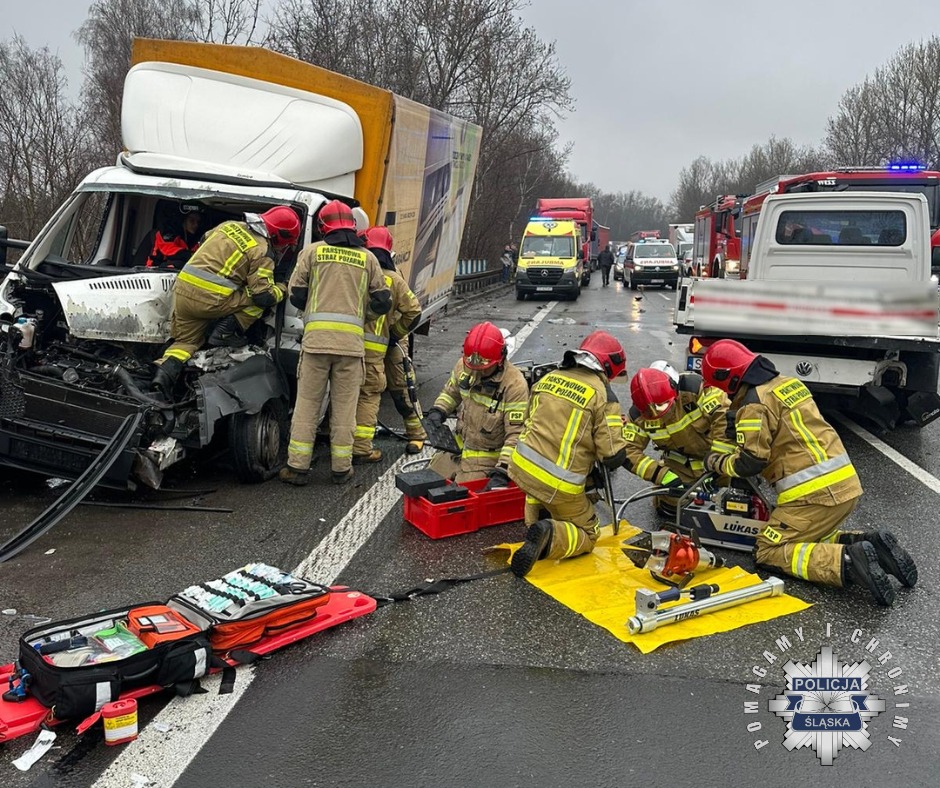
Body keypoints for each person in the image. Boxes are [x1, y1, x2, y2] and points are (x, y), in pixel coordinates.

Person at [701, 339, 918, 605]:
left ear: (728, 378)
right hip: (845, 485)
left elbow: (751, 462)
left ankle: (848, 562)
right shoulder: (787, 384)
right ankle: (871, 545)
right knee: (810, 536)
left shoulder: (753, 405)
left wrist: (716, 463)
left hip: (812, 496)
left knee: (768, 550)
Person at [279, 200, 391, 486]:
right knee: (345, 407)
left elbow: (297, 294)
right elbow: (382, 301)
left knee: (307, 405)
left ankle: (297, 467)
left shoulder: (312, 253)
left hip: (316, 344)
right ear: (353, 227)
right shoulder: (368, 259)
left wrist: (312, 313)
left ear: (322, 227)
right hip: (351, 348)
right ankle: (341, 468)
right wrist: (362, 316)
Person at [507, 331, 629, 577]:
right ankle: (549, 535)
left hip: (520, 467)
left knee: (538, 488)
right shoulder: (604, 396)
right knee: (588, 533)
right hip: (557, 483)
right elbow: (612, 455)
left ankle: (535, 523)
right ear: (607, 366)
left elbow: (533, 422)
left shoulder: (549, 378)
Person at [151, 206, 299, 399]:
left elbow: (204, 241)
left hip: (182, 292)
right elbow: (263, 296)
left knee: (187, 342)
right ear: (279, 237)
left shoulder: (229, 225)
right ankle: (226, 332)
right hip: (210, 300)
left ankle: (159, 378)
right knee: (256, 300)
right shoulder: (263, 251)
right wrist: (283, 288)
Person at [624, 363, 735, 517]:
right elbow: (628, 450)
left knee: (734, 501)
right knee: (672, 508)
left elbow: (725, 419)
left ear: (674, 390)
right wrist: (661, 475)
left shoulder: (697, 389)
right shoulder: (639, 415)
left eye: (662, 406)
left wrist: (717, 465)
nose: (657, 413)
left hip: (716, 459)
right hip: (681, 467)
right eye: (649, 411)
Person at [352, 226, 424, 463]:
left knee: (360, 393)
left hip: (364, 344)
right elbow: (413, 312)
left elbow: (412, 311)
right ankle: (415, 435)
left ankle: (414, 433)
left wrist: (394, 333)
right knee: (401, 389)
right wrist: (396, 332)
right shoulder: (393, 278)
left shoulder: (359, 273)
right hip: (384, 343)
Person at [425, 321, 529, 485]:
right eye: (472, 366)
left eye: (484, 368)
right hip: (458, 449)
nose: (477, 371)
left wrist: (502, 471)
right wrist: (439, 410)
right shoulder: (465, 366)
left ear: (500, 359)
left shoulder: (514, 385)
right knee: (427, 484)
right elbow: (450, 393)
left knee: (459, 502)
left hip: (487, 459)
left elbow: (516, 435)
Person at [146, 204, 203, 269]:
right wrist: (191, 255)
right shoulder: (167, 232)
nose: (196, 225)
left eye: (198, 222)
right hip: (153, 271)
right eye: (192, 221)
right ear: (183, 220)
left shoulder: (196, 238)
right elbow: (170, 252)